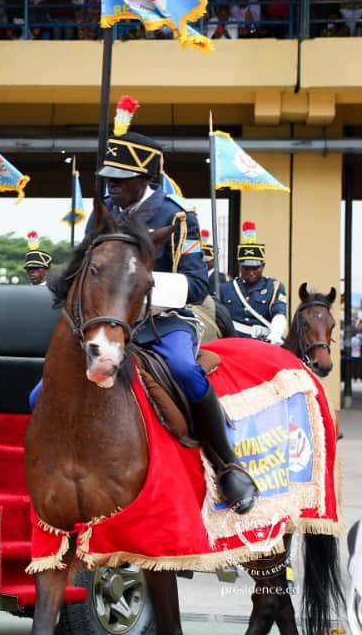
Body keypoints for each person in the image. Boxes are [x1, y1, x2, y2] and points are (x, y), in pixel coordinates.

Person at [86, 114, 258, 514]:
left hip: (160, 323)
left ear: (146, 176)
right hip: (108, 326)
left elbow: (196, 284)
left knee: (183, 370)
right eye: (108, 177)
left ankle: (227, 464)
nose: (111, 184)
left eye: (120, 177)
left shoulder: (177, 216)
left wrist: (135, 290)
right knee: (45, 389)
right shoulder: (104, 213)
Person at [219, 221, 288, 344]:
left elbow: (279, 313)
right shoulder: (225, 288)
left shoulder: (273, 287)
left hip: (263, 343)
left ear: (263, 266)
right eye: (246, 268)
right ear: (239, 267)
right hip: (232, 343)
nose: (251, 272)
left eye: (255, 268)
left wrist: (276, 333)